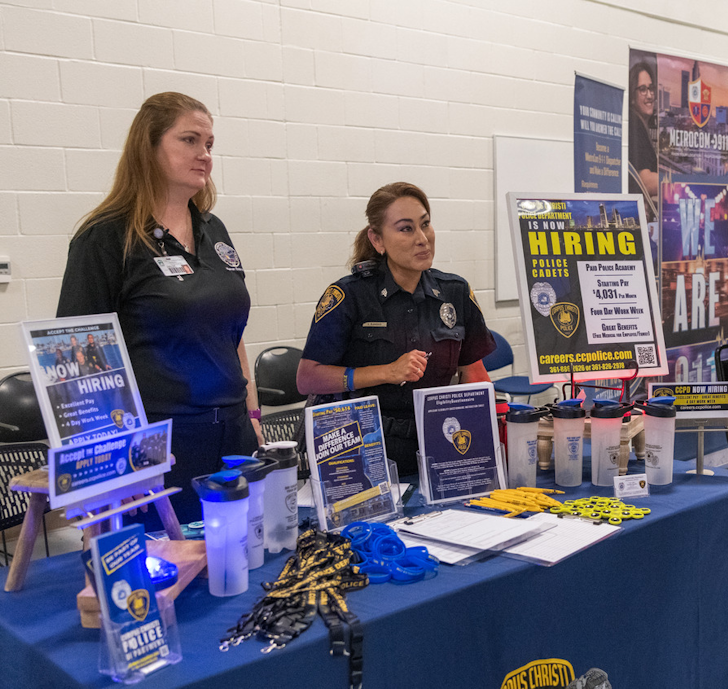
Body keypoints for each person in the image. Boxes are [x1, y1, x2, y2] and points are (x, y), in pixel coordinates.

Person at [57, 92, 262, 524]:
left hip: (232, 432)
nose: (204, 154)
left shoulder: (213, 228)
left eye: (209, 144)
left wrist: (253, 413)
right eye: (189, 140)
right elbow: (79, 366)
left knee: (241, 568)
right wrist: (101, 469)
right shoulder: (107, 237)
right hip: (157, 445)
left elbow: (231, 333)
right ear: (147, 149)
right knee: (169, 577)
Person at [297, 182, 496, 478]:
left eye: (425, 225)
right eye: (406, 229)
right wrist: (387, 372)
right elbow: (308, 378)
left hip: (438, 442)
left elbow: (474, 374)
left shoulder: (455, 291)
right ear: (377, 240)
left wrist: (487, 441)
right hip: (365, 447)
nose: (422, 239)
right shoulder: (350, 295)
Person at [628, 60, 659, 218]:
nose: (649, 95)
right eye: (642, 89)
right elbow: (645, 181)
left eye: (651, 88)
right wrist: (678, 182)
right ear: (632, 96)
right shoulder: (634, 126)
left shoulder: (639, 124)